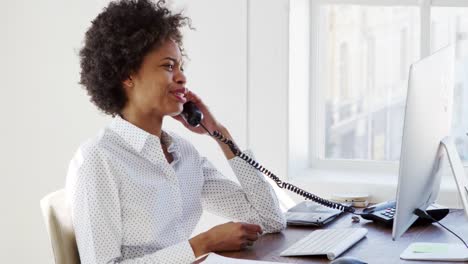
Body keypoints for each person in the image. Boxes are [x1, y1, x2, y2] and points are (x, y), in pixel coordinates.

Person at [65, 0, 286, 263]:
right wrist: (201, 244)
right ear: (127, 75)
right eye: (169, 66)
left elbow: (269, 219)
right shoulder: (98, 160)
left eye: (181, 67)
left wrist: (219, 133)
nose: (182, 78)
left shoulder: (182, 154)